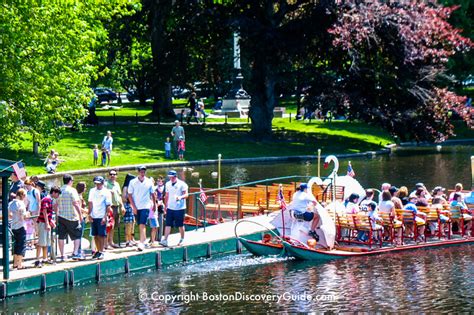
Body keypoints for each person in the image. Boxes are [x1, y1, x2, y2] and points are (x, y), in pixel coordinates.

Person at [128, 166, 156, 251]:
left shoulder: (149, 181)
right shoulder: (133, 182)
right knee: (139, 224)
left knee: (142, 224)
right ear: (138, 172)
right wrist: (133, 206)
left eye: (144, 172)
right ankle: (144, 241)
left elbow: (153, 194)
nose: (142, 173)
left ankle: (141, 243)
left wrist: (154, 204)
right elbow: (129, 195)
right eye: (141, 171)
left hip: (145, 205)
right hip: (136, 206)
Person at [56, 174, 83, 262]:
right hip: (72, 217)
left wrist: (57, 214)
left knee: (61, 236)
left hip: (61, 216)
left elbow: (55, 204)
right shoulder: (72, 190)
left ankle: (62, 255)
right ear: (70, 181)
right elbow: (76, 203)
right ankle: (75, 253)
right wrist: (80, 215)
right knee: (77, 235)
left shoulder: (59, 190)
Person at [160, 170, 188, 247]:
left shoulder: (182, 184)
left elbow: (186, 195)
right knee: (168, 224)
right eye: (170, 177)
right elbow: (167, 195)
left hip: (180, 208)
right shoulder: (168, 184)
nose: (171, 179)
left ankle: (182, 239)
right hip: (170, 207)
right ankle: (165, 240)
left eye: (172, 177)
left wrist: (180, 197)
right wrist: (165, 206)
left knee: (180, 225)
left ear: (176, 176)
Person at [35, 186, 61, 267]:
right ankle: (37, 260)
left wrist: (50, 221)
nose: (58, 196)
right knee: (41, 241)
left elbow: (48, 213)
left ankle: (45, 258)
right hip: (43, 223)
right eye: (57, 194)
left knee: (46, 242)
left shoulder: (50, 200)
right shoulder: (47, 199)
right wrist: (47, 223)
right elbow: (44, 211)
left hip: (46, 222)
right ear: (54, 192)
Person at [88, 176, 112, 260]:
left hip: (101, 215)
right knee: (95, 235)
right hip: (93, 215)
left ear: (102, 183)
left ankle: (101, 251)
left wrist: (105, 216)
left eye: (98, 183)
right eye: (96, 183)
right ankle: (98, 250)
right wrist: (89, 214)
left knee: (101, 235)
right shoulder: (92, 191)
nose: (97, 185)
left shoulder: (106, 192)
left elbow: (108, 205)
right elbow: (90, 203)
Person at [9, 188, 28, 269]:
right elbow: (24, 216)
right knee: (21, 245)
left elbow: (9, 215)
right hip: (21, 226)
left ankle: (15, 263)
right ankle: (20, 264)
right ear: (22, 195)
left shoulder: (11, 203)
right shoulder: (21, 204)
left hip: (13, 226)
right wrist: (28, 213)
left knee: (16, 245)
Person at [105, 169, 123, 248]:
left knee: (113, 225)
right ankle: (106, 243)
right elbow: (103, 192)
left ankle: (111, 242)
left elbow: (119, 196)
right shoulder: (106, 184)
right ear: (108, 175)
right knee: (108, 225)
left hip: (116, 207)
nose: (112, 176)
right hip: (110, 207)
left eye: (114, 174)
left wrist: (122, 206)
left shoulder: (117, 184)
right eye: (111, 174)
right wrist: (109, 191)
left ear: (116, 176)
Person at [122, 174, 137, 247]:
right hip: (127, 206)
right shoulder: (125, 187)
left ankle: (132, 238)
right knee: (128, 224)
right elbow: (124, 198)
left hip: (131, 206)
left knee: (132, 223)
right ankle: (127, 240)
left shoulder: (131, 187)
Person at [76, 181, 88, 258]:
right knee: (80, 234)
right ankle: (79, 250)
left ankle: (78, 250)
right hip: (81, 217)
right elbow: (79, 208)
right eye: (85, 187)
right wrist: (87, 211)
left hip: (83, 216)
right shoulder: (78, 197)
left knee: (80, 234)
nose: (86, 189)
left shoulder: (79, 195)